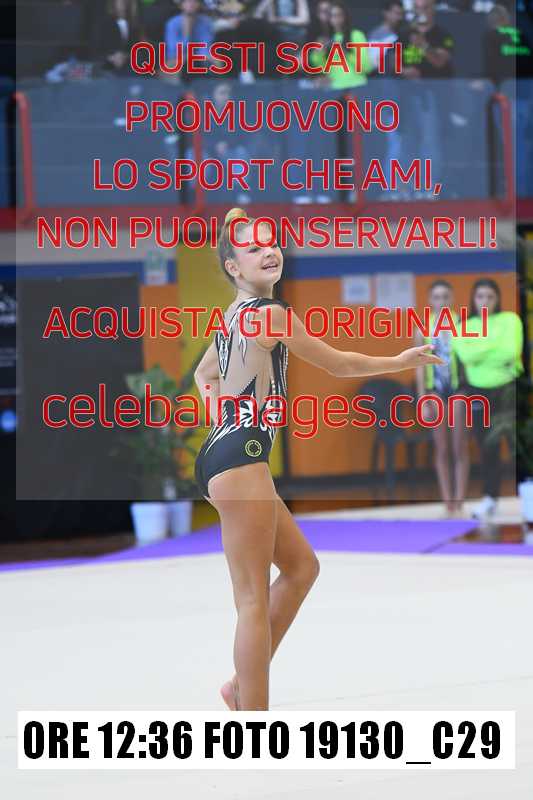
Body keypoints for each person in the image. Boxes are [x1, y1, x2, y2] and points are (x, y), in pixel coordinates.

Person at [193, 207, 445, 711]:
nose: (268, 252)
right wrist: (397, 360)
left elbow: (204, 375)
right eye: (253, 248)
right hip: (240, 456)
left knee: (301, 567)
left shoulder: (231, 318)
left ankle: (241, 687)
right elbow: (339, 364)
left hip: (227, 454)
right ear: (233, 268)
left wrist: (222, 416)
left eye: (271, 243)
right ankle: (252, 719)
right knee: (251, 600)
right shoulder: (270, 314)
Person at [452, 278, 524, 521]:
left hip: (508, 388)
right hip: (478, 392)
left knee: (519, 446)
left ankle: (528, 497)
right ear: (473, 299)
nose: (485, 301)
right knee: (487, 447)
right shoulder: (464, 325)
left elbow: (510, 352)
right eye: (480, 296)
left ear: (497, 299)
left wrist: (481, 349)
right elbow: (466, 356)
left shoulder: (510, 320)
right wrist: (494, 346)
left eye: (490, 296)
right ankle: (490, 498)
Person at [414, 280, 469, 517]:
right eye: (437, 297)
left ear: (452, 298)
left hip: (458, 390)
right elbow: (418, 368)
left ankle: (460, 501)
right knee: (442, 448)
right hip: (435, 391)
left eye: (446, 296)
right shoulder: (422, 329)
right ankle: (448, 502)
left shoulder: (462, 325)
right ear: (430, 300)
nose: (442, 301)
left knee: (459, 446)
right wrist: (422, 400)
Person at [309, 1, 374, 89]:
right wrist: (319, 52)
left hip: (356, 87)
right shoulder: (326, 38)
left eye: (338, 15)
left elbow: (366, 67)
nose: (335, 20)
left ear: (345, 17)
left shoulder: (356, 35)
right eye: (332, 16)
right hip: (334, 89)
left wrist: (344, 52)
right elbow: (321, 67)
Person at [165, 0, 214, 65]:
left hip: (199, 58)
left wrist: (200, 57)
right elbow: (174, 51)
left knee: (215, 62)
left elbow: (205, 46)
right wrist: (187, 35)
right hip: (177, 58)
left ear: (199, 4)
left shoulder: (206, 22)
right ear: (181, 5)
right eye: (187, 1)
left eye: (195, 1)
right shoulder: (173, 23)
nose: (191, 4)